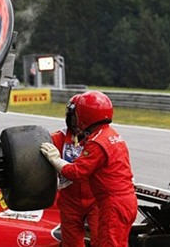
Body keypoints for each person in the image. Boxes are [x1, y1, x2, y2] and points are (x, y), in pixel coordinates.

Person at [41, 90, 137, 247]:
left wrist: (56, 160)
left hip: (101, 200)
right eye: (73, 116)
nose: (75, 121)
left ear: (85, 116)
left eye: (77, 116)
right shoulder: (112, 135)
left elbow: (77, 172)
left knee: (106, 243)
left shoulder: (96, 141)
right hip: (76, 200)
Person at [50, 94, 99, 247]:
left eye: (80, 118)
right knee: (71, 244)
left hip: (96, 198)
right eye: (73, 118)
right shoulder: (57, 138)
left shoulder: (100, 139)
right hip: (69, 199)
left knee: (102, 240)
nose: (76, 123)